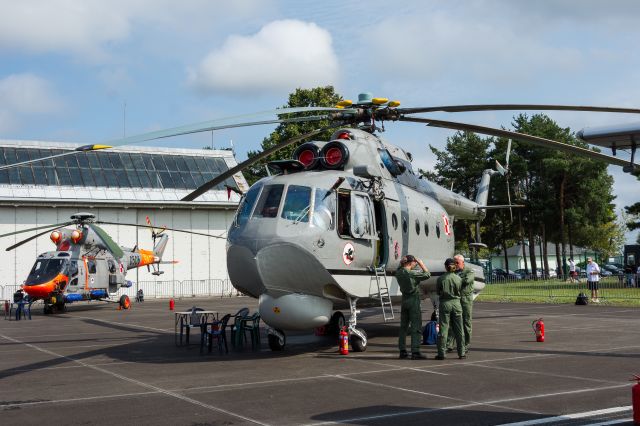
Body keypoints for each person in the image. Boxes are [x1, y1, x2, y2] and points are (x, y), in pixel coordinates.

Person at [396, 254, 430, 360]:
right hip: (413, 300)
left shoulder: (399, 272)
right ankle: (415, 351)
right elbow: (427, 274)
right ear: (411, 263)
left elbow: (400, 266)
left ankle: (402, 351)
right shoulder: (411, 274)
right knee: (416, 326)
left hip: (404, 300)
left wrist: (405, 262)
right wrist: (421, 263)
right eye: (414, 262)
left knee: (403, 327)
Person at [436, 258, 465, 360]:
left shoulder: (441, 279)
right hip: (456, 303)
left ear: (445, 267)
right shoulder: (458, 279)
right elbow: (461, 290)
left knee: (443, 329)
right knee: (459, 329)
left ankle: (441, 353)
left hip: (445, 303)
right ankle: (461, 352)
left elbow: (438, 291)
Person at [447, 254, 475, 353]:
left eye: (457, 262)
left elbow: (467, 281)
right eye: (454, 262)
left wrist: (454, 281)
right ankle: (449, 344)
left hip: (465, 299)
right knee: (452, 322)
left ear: (463, 262)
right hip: (455, 299)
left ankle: (466, 344)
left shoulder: (469, 271)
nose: (455, 264)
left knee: (466, 322)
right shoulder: (453, 271)